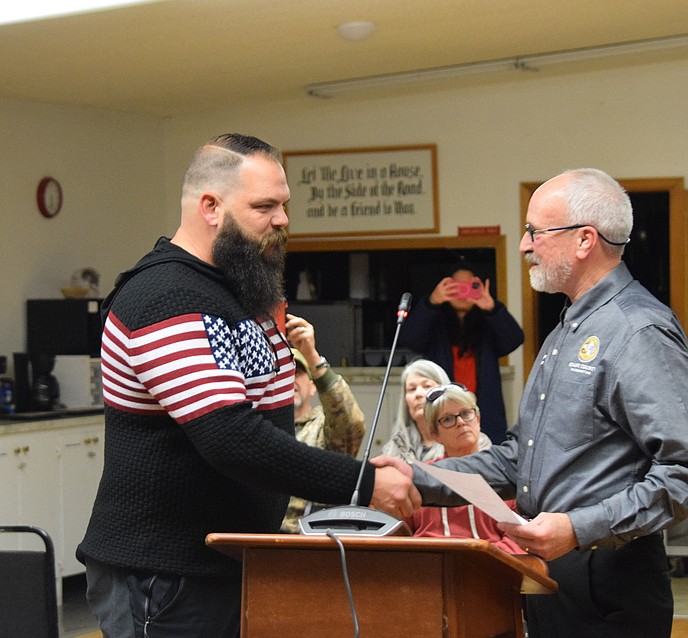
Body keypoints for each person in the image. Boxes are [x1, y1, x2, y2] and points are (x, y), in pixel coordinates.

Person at [77, 133, 420, 638]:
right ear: (210, 207)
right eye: (264, 206)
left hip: (226, 563)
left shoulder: (234, 292)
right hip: (166, 576)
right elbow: (231, 437)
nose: (282, 219)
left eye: (284, 204)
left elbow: (271, 421)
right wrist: (362, 484)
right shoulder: (166, 296)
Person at [398, 168, 688, 638]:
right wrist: (412, 478)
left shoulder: (637, 331)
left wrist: (578, 528)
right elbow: (519, 458)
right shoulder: (567, 328)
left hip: (608, 583)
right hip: (550, 577)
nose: (525, 245)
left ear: (585, 240)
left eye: (534, 232)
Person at [399, 262, 524, 444]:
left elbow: (514, 339)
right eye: (455, 287)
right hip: (443, 412)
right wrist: (432, 302)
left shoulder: (487, 323)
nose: (462, 293)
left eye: (469, 287)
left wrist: (491, 307)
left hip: (484, 415)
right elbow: (409, 339)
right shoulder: (435, 322)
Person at [403, 383, 523, 554]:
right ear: (434, 435)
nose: (460, 422)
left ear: (478, 419)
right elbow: (400, 534)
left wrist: (480, 560)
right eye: (448, 419)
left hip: (490, 567)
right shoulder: (420, 477)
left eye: (466, 413)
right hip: (427, 568)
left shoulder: (505, 471)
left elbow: (520, 539)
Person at [281, 312, 366, 533]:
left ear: (312, 386)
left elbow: (351, 424)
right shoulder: (257, 426)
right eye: (283, 372)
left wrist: (312, 356)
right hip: (257, 539)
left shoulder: (321, 428)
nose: (290, 378)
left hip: (307, 540)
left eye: (297, 372)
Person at [381, 358, 491, 463]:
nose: (418, 394)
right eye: (411, 389)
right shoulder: (397, 444)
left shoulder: (471, 439)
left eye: (427, 386)